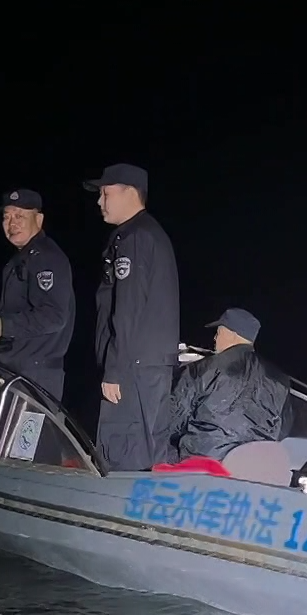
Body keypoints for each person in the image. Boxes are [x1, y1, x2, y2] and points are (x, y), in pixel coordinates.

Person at [84, 162, 180, 471]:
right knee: (151, 452)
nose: (100, 201)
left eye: (106, 193)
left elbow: (128, 309)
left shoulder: (134, 237)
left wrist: (114, 368)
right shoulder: (150, 234)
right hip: (148, 366)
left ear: (130, 193)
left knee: (123, 455)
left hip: (132, 368)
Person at [0, 188, 74, 401]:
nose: (12, 223)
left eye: (20, 216)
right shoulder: (22, 259)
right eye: (7, 217)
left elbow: (54, 316)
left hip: (35, 376)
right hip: (16, 371)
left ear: (39, 219)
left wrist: (1, 326)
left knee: (26, 425)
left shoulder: (45, 257)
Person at [155, 308, 291, 463]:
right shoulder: (280, 380)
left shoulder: (200, 369)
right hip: (253, 465)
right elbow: (282, 431)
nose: (215, 338)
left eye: (218, 332)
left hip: (204, 463)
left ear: (232, 334)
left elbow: (172, 420)